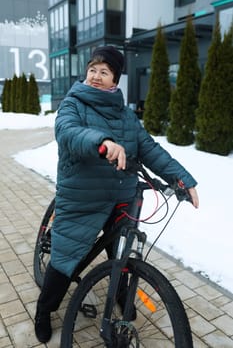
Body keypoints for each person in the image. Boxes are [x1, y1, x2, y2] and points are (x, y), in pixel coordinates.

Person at [34, 45, 199, 343]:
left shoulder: (126, 116)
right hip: (82, 197)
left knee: (122, 253)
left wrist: (182, 179)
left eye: (104, 71)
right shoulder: (73, 104)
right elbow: (68, 132)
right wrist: (103, 142)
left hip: (121, 197)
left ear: (115, 80)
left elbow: (150, 149)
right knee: (65, 258)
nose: (96, 76)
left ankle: (120, 293)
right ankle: (45, 309)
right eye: (92, 70)